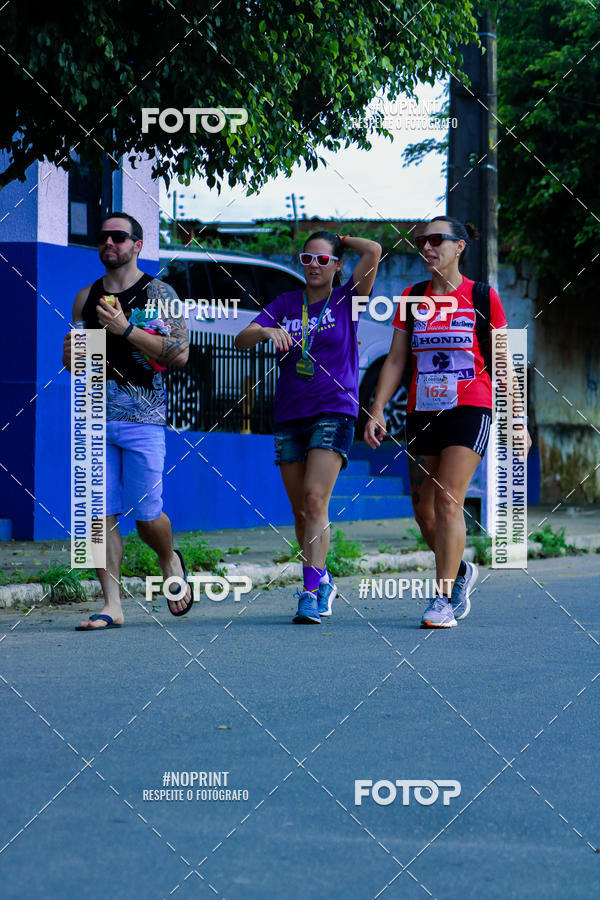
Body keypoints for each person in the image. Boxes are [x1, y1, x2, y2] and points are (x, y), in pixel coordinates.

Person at [365, 216, 531, 629]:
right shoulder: (412, 297)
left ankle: (441, 600)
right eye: (422, 241)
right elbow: (398, 360)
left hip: (470, 407)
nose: (427, 247)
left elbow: (503, 362)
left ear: (460, 246)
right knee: (423, 510)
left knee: (447, 499)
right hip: (422, 410)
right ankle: (459, 573)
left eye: (437, 240)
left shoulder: (482, 296)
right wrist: (378, 407)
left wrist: (517, 419)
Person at [235, 231, 381, 624]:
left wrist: (343, 240)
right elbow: (240, 339)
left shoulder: (348, 300)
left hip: (334, 411)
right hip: (289, 415)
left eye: (322, 260)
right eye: (307, 259)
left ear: (336, 265)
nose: (313, 266)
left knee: (316, 500)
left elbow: (375, 250)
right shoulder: (286, 303)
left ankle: (310, 590)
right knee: (301, 510)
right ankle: (324, 579)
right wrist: (266, 330)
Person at [61, 212, 192, 630]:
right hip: (93, 417)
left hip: (144, 418)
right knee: (96, 514)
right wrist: (70, 357)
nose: (109, 242)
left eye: (119, 237)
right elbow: (78, 363)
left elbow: (180, 353)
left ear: (137, 244)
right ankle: (112, 603)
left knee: (148, 515)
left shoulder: (159, 292)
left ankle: (169, 559)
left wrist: (125, 328)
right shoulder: (86, 297)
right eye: (104, 237)